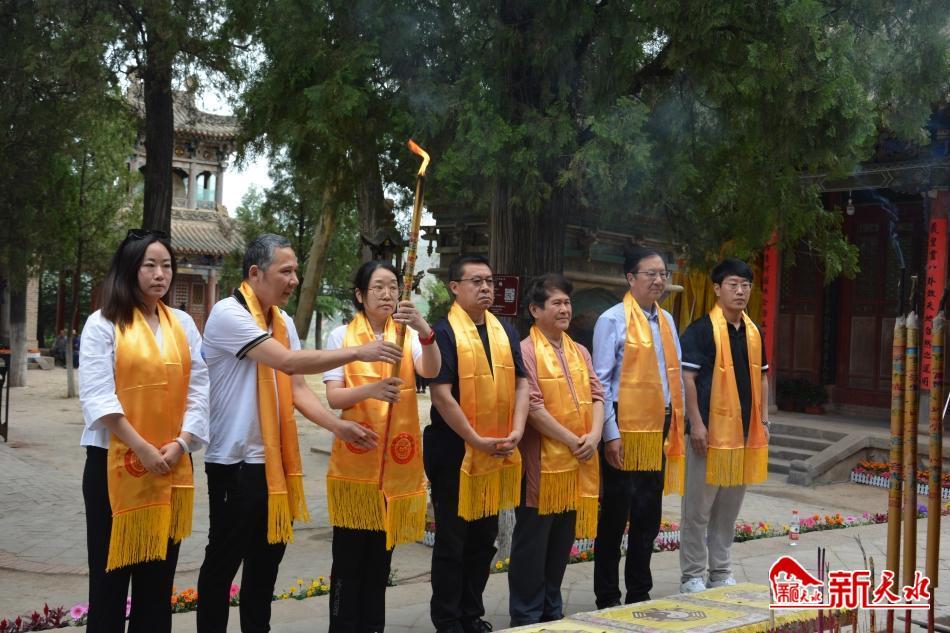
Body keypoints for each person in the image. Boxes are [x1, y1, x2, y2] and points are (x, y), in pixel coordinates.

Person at [196, 234, 404, 633]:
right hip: (235, 462)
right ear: (255, 273)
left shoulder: (283, 321)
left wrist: (337, 426)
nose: (294, 280)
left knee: (266, 562)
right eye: (286, 271)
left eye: (296, 272)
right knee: (223, 562)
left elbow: (296, 389)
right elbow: (289, 362)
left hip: (276, 464)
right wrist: (357, 352)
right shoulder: (228, 314)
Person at [79, 229, 209, 632]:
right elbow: (98, 395)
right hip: (113, 464)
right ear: (129, 269)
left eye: (166, 265)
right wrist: (141, 448)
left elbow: (200, 387)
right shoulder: (103, 323)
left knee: (157, 585)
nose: (160, 274)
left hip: (169, 462)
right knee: (109, 583)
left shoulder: (182, 324)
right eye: (149, 265)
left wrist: (182, 443)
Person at [322, 260, 442, 633]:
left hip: (395, 466)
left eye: (393, 286)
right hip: (355, 468)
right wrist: (372, 390)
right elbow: (335, 398)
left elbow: (432, 371)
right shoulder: (342, 336)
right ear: (360, 295)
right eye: (378, 287)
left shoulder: (406, 336)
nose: (387, 294)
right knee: (348, 561)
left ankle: (373, 626)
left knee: (379, 561)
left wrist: (425, 331)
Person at [425, 254, 529, 633]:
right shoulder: (443, 333)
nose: (486, 288)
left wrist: (517, 429)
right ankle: (448, 619)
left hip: (497, 448)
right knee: (453, 540)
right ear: (455, 287)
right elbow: (441, 396)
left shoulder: (506, 331)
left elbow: (522, 382)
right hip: (455, 451)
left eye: (489, 281)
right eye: (476, 281)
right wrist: (475, 439)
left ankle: (472, 614)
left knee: (484, 540)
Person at [591, 247, 685, 607]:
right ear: (630, 278)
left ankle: (639, 591)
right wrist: (610, 434)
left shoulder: (667, 321)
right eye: (651, 273)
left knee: (648, 512)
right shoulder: (612, 320)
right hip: (624, 422)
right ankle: (606, 595)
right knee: (616, 513)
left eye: (663, 274)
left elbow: (673, 377)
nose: (659, 280)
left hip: (658, 423)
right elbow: (600, 383)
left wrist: (677, 423)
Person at [508, 274, 605, 626]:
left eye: (567, 302)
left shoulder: (580, 351)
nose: (565, 309)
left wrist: (594, 435)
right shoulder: (525, 351)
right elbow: (532, 406)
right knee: (532, 544)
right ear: (535, 310)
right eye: (556, 303)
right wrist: (573, 440)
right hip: (541, 465)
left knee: (561, 542)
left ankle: (551, 608)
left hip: (578, 462)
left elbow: (598, 394)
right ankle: (526, 614)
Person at [678, 258, 770, 593]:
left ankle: (720, 570)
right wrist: (696, 424)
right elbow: (688, 379)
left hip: (744, 433)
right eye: (733, 284)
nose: (741, 291)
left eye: (746, 285)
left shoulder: (753, 332)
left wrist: (764, 421)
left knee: (728, 509)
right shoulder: (701, 330)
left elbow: (763, 378)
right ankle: (692, 574)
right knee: (698, 508)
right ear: (717, 289)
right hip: (709, 432)